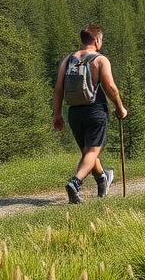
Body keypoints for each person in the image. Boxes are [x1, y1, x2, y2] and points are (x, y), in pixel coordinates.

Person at [52, 25, 128, 204]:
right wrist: (120, 107)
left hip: (74, 112)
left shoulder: (68, 60)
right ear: (96, 40)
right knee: (92, 151)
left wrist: (57, 114)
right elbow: (110, 87)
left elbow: (58, 89)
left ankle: (102, 179)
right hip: (95, 111)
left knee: (88, 153)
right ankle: (75, 183)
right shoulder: (100, 60)